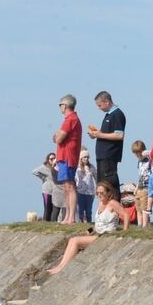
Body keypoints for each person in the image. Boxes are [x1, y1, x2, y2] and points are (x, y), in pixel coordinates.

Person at [47, 182, 130, 275]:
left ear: (109, 193)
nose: (99, 195)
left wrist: (125, 231)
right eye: (97, 193)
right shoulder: (100, 203)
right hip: (98, 234)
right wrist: (88, 231)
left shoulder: (113, 203)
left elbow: (126, 215)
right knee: (72, 239)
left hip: (106, 236)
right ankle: (60, 266)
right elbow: (97, 225)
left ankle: (62, 267)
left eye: (102, 193)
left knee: (76, 241)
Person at [87, 91, 126, 190]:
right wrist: (97, 134)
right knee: (103, 185)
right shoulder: (108, 115)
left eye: (100, 105)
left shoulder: (117, 114)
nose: (99, 108)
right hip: (103, 156)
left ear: (107, 102)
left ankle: (114, 204)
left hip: (109, 156)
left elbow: (119, 135)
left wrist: (100, 134)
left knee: (109, 184)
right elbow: (108, 134)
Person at [53, 95, 83, 224]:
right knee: (66, 186)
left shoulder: (71, 119)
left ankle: (71, 217)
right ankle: (67, 216)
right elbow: (55, 137)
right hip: (64, 157)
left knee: (70, 186)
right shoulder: (69, 120)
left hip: (68, 157)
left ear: (64, 105)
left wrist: (57, 135)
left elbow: (58, 138)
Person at [131, 140, 151, 226]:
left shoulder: (149, 160)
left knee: (144, 208)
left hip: (146, 187)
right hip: (140, 187)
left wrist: (145, 153)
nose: (138, 155)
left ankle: (144, 225)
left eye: (139, 153)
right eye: (136, 153)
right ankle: (139, 225)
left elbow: (152, 153)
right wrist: (136, 188)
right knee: (138, 208)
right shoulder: (139, 162)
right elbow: (140, 175)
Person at [32, 152, 57, 221]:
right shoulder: (44, 167)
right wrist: (43, 177)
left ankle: (52, 223)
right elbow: (34, 171)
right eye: (51, 159)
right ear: (48, 160)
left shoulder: (56, 168)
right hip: (46, 190)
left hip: (55, 191)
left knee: (53, 208)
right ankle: (45, 222)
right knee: (47, 207)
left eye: (54, 158)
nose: (53, 160)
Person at [75, 150, 97, 223]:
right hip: (80, 192)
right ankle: (81, 224)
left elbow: (96, 177)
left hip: (90, 192)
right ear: (81, 158)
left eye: (87, 157)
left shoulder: (91, 167)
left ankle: (89, 225)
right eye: (85, 157)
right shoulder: (77, 167)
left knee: (88, 210)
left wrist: (97, 187)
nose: (86, 159)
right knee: (80, 210)